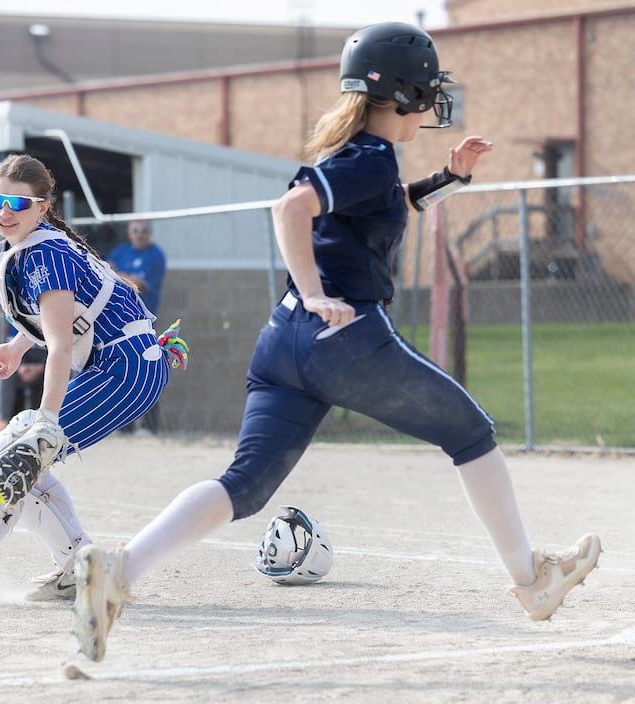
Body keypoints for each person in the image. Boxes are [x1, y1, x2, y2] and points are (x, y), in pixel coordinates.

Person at [71, 22, 602, 663]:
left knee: (244, 484)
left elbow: (381, 201)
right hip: (341, 337)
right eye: (426, 88)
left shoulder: (361, 156)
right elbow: (289, 210)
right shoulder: (370, 155)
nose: (433, 100)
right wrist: (318, 290)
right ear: (402, 92)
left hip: (283, 342)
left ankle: (119, 573)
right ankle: (532, 582)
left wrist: (447, 179)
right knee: (470, 432)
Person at [0, 153, 187, 603]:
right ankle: (78, 567)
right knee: (13, 453)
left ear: (43, 207)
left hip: (127, 368)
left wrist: (45, 418)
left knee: (20, 451)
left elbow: (63, 343)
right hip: (122, 363)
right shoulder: (29, 247)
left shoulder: (44, 252)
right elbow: (61, 320)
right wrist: (17, 344)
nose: (5, 211)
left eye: (19, 204)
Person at [107, 219, 167, 435]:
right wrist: (123, 276)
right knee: (125, 373)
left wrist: (117, 275)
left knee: (150, 371)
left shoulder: (156, 255)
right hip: (120, 322)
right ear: (129, 232)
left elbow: (138, 283)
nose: (139, 234)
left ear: (149, 233)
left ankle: (150, 427)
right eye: (135, 230)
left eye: (143, 230)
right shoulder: (121, 250)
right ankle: (125, 427)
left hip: (145, 324)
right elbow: (106, 274)